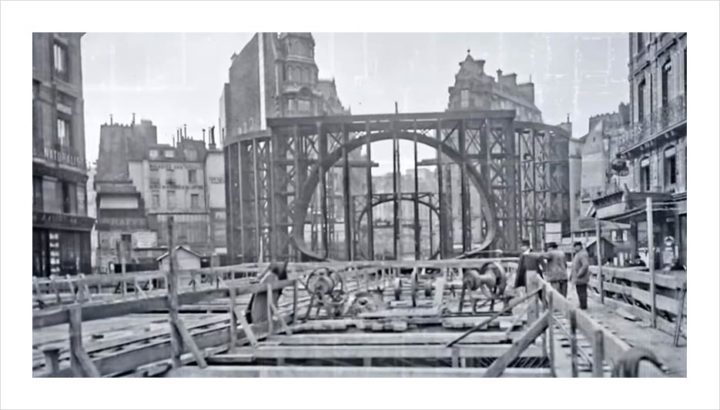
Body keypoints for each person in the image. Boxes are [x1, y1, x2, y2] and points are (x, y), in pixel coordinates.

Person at [571, 241, 591, 310]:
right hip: (578, 278)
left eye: (576, 247)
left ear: (579, 246)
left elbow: (585, 265)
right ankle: (582, 304)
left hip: (581, 277)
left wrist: (579, 274)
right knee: (579, 291)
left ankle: (583, 305)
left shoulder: (582, 254)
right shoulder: (578, 254)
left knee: (582, 291)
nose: (574, 248)